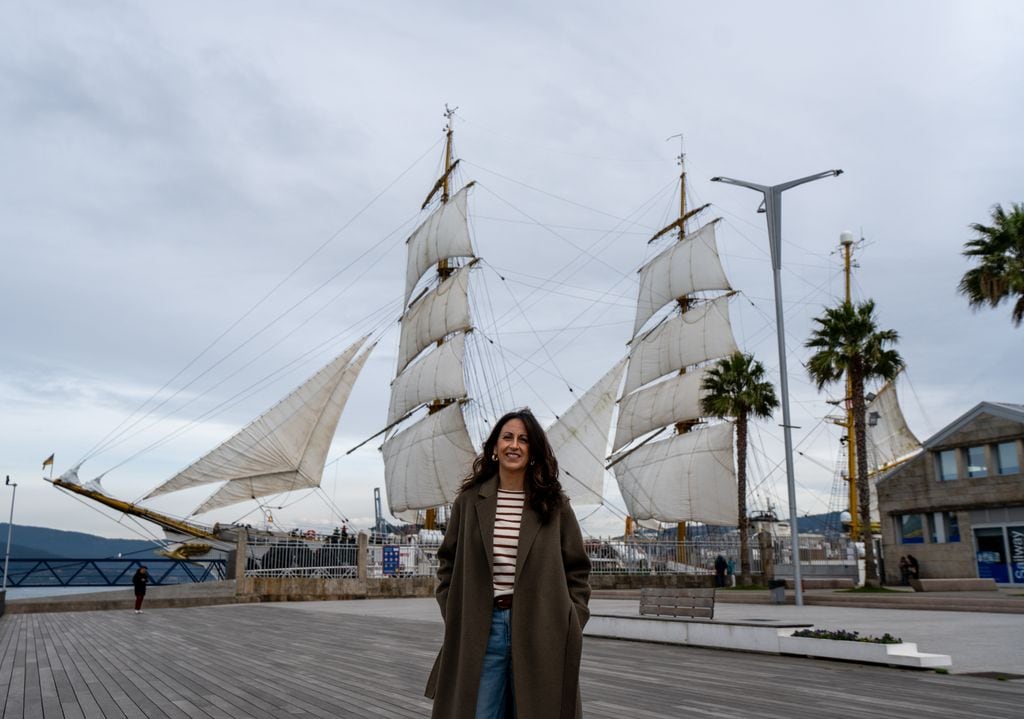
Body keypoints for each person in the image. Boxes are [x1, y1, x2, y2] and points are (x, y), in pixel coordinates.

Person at [425, 408, 591, 719]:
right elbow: (447, 561)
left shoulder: (554, 505)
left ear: (533, 451)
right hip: (482, 629)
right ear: (494, 448)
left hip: (541, 625)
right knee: (479, 712)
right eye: (507, 437)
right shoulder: (469, 501)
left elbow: (577, 569)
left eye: (524, 440)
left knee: (537, 710)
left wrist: (571, 619)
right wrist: (456, 613)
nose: (514, 445)